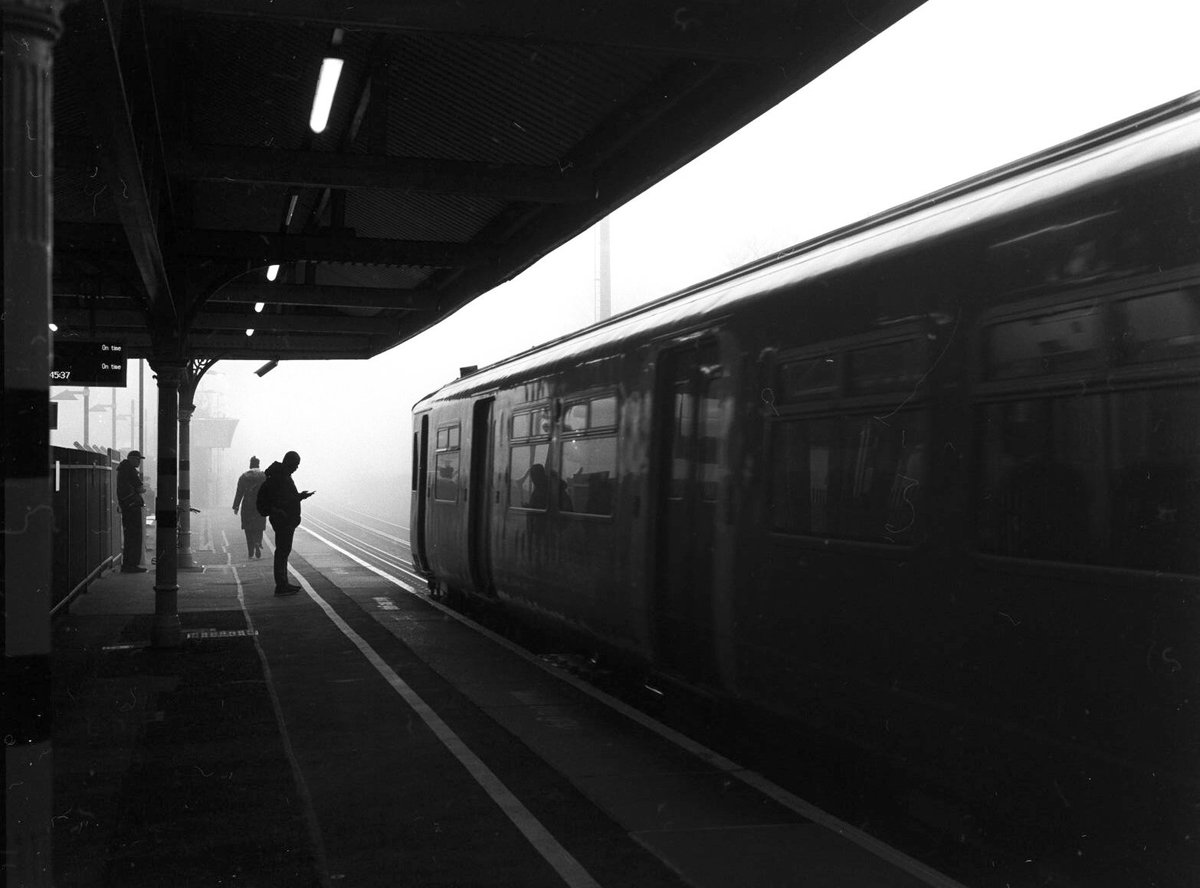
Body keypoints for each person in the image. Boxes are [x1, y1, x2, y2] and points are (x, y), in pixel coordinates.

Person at [259, 451, 314, 595]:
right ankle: (281, 585)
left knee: (283, 552)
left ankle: (283, 583)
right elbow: (281, 500)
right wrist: (296, 499)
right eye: (295, 465)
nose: (296, 468)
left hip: (286, 520)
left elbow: (285, 498)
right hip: (283, 520)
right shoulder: (279, 478)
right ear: (289, 462)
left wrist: (299, 497)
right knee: (282, 552)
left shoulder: (281, 475)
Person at [116, 450, 147, 573]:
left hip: (127, 506)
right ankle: (131, 565)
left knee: (129, 536)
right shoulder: (130, 470)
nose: (139, 462)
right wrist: (142, 489)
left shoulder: (123, 469)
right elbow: (140, 488)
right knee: (135, 536)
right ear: (131, 459)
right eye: (137, 459)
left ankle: (128, 564)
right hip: (132, 506)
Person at [231, 456, 267, 559]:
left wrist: (236, 506)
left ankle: (250, 551)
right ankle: (257, 542)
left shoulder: (243, 477)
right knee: (259, 527)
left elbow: (239, 493)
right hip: (261, 506)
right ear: (258, 465)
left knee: (248, 528)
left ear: (250, 465)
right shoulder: (264, 476)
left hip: (247, 505)